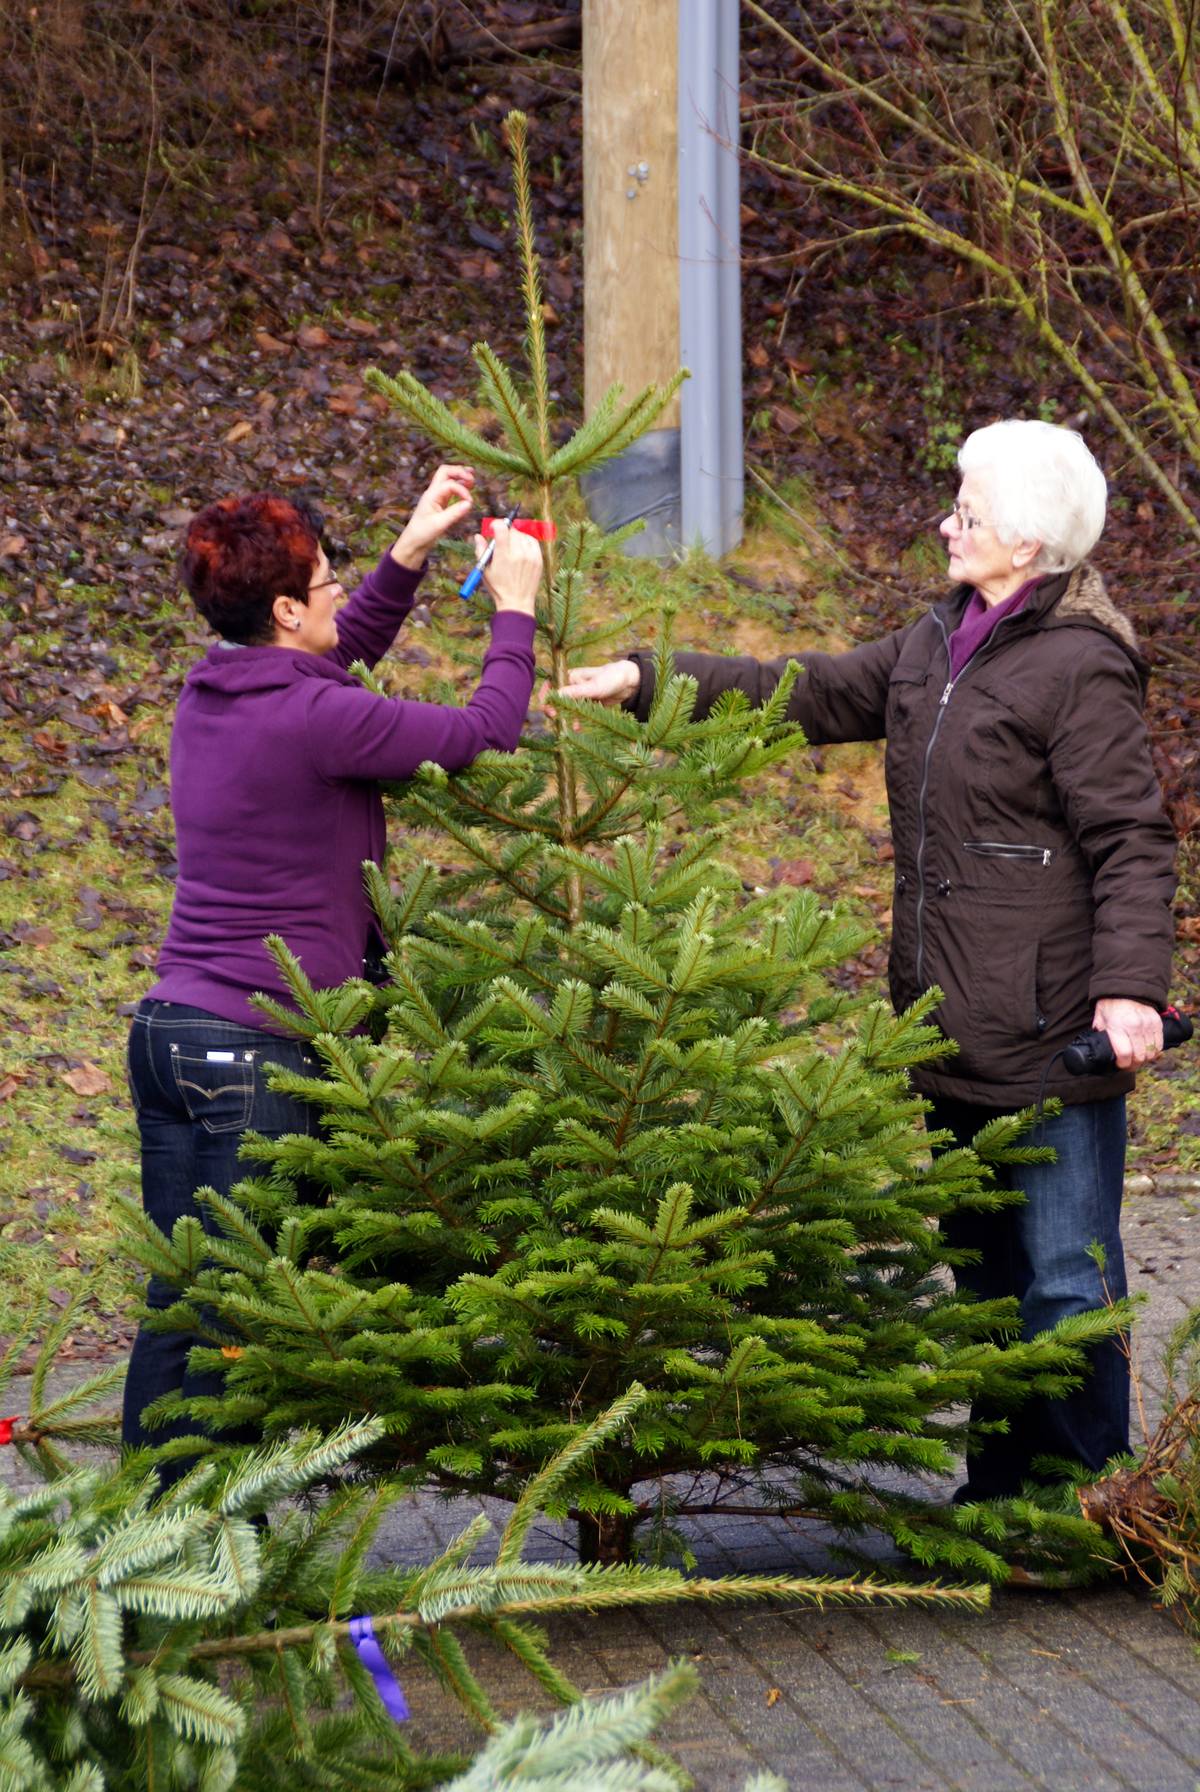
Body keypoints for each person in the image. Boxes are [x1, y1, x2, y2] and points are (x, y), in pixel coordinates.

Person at [557, 419, 1177, 1501]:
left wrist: (1130, 992)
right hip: (947, 1028)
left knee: (1068, 1287)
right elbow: (803, 689)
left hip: (1051, 1040)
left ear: (1026, 545)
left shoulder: (1082, 667)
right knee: (988, 1285)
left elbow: (1132, 838)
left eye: (968, 513)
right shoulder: (939, 640)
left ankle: (1083, 1507)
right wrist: (649, 679)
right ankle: (1001, 1497)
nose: (947, 523)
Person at [122, 465, 542, 1453]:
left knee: (182, 1303)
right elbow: (488, 731)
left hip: (169, 1034)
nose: (339, 597)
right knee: (243, 1323)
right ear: (279, 607)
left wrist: (409, 549)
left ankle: (137, 1546)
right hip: (254, 1052)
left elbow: (333, 650)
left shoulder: (214, 687)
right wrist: (513, 610)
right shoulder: (319, 720)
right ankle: (211, 1559)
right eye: (326, 583)